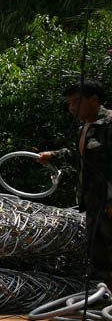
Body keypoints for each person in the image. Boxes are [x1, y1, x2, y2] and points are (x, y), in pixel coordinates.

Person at [38, 79, 112, 283]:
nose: (72, 108)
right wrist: (53, 155)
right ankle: (106, 295)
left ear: (94, 99)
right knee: (99, 254)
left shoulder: (108, 125)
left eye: (76, 102)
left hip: (108, 202)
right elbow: (79, 156)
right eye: (69, 103)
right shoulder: (85, 128)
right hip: (93, 202)